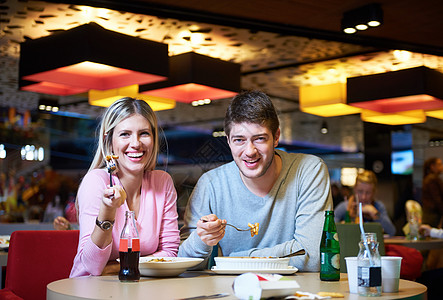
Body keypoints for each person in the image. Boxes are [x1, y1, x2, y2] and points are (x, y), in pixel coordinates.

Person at [178, 90, 333, 272]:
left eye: (259, 139)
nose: (250, 151)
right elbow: (184, 263)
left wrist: (232, 260)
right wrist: (201, 240)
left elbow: (312, 257)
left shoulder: (309, 171)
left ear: (276, 137)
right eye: (239, 140)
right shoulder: (211, 184)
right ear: (228, 141)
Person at [70, 97, 180, 277]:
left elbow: (170, 254)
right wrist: (107, 211)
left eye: (144, 133)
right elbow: (93, 267)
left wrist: (114, 267)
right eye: (125, 134)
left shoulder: (163, 182)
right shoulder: (95, 182)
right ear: (109, 141)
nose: (136, 143)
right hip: (89, 291)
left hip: (142, 288)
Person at [334, 170, 396, 236]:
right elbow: (329, 230)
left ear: (374, 192)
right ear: (354, 189)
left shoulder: (378, 206)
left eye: (368, 193)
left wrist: (374, 213)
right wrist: (342, 226)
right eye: (360, 191)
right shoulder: (344, 207)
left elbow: (392, 231)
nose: (364, 197)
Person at [421, 157, 443, 228]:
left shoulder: (430, 178)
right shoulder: (432, 179)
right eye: (439, 164)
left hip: (431, 214)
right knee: (432, 236)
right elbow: (437, 198)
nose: (442, 166)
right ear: (432, 166)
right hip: (432, 215)